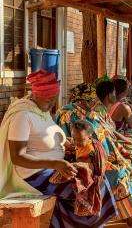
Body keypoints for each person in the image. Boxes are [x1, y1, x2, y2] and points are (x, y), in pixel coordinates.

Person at [0, 70, 116, 227]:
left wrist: (70, 144)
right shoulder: (22, 116)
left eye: (54, 100)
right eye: (49, 100)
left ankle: (60, 223)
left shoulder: (42, 111)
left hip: (51, 169)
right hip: (33, 176)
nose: (52, 104)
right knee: (84, 188)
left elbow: (44, 140)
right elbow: (17, 156)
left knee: (97, 179)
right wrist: (55, 164)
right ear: (36, 95)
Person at [56, 81, 132, 228]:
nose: (94, 102)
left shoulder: (93, 112)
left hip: (100, 156)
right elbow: (74, 143)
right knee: (118, 174)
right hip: (82, 161)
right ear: (84, 99)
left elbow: (108, 136)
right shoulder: (69, 114)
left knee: (130, 162)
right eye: (92, 99)